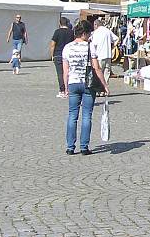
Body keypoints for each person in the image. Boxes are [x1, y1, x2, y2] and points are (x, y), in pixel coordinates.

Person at [62, 20, 110, 155]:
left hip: (73, 83)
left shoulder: (67, 48)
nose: (90, 36)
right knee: (87, 115)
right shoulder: (90, 47)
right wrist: (104, 85)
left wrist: (65, 87)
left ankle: (70, 147)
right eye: (89, 34)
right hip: (88, 84)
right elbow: (96, 67)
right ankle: (84, 147)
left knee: (72, 115)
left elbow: (65, 70)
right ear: (84, 33)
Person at [50, 17, 74, 97]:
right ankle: (69, 89)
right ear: (67, 23)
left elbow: (53, 44)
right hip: (69, 54)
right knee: (69, 72)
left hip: (58, 53)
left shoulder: (57, 32)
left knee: (60, 73)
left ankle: (62, 90)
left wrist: (52, 55)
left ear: (59, 23)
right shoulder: (71, 32)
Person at [91, 18, 119, 85]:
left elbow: (94, 44)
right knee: (107, 72)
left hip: (99, 55)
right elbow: (117, 39)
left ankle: (100, 89)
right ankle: (105, 88)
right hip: (108, 55)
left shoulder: (96, 32)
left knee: (99, 72)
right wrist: (113, 47)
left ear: (96, 25)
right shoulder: (107, 31)